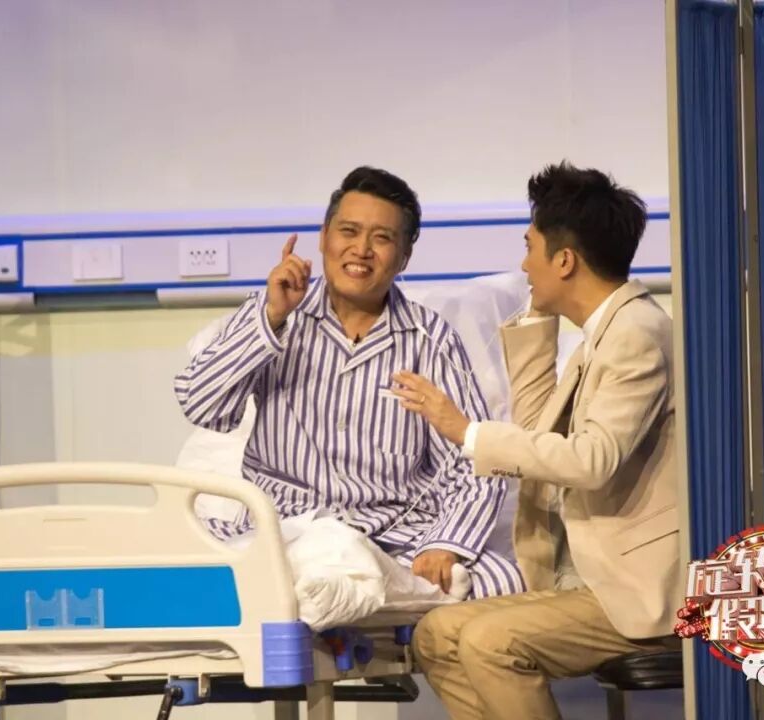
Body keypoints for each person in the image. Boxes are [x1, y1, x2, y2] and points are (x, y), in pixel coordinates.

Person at [393, 162, 680, 719]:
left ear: (564, 260)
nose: (524, 265)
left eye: (530, 248)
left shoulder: (636, 336)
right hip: (584, 581)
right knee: (436, 635)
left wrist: (465, 430)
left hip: (637, 592)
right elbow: (537, 437)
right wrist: (534, 321)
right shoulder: (601, 336)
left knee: (489, 641)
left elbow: (591, 461)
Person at [174, 166, 524, 598]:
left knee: (502, 581)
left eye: (382, 238)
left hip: (394, 539)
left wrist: (445, 544)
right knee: (191, 572)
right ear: (324, 238)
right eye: (349, 231)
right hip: (286, 530)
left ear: (404, 257)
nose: (361, 249)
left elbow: (472, 461)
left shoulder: (430, 341)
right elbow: (201, 405)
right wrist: (271, 318)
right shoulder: (277, 315)